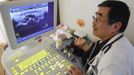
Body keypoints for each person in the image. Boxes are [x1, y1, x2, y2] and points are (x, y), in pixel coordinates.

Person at [68, 0, 134, 75]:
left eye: (98, 18)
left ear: (115, 27)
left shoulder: (113, 64)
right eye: (95, 17)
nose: (93, 22)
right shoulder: (115, 41)